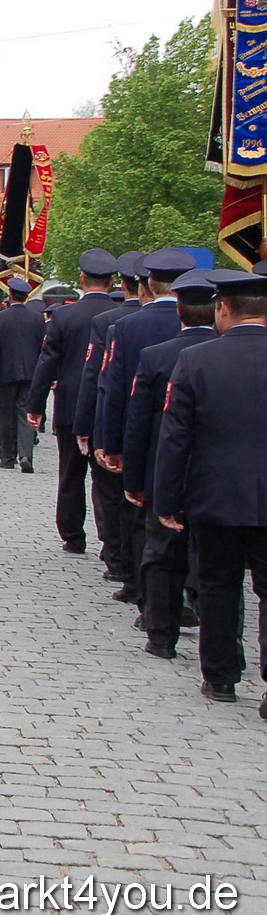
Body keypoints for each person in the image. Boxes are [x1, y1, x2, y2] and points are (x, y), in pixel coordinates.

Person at [153, 269, 267, 713]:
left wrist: (167, 499)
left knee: (218, 585)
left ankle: (220, 676)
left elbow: (175, 437)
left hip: (215, 494)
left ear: (223, 309)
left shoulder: (197, 360)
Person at [124, 268, 217, 660]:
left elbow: (139, 420)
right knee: (216, 566)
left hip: (165, 466)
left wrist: (133, 475)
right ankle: (223, 648)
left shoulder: (158, 356)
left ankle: (160, 632)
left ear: (180, 312)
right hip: (219, 476)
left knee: (161, 552)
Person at [96, 249, 194, 604]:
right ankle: (189, 591)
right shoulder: (208, 326)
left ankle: (142, 588)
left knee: (140, 517)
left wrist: (111, 443)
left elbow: (114, 388)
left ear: (149, 284)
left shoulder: (125, 326)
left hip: (145, 436)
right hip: (197, 440)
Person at [26, 249, 120, 555]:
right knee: (106, 478)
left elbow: (46, 363)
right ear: (113, 281)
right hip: (109, 405)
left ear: (82, 279)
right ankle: (111, 539)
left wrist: (36, 405)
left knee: (70, 473)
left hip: (69, 403)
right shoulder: (122, 315)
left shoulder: (64, 316)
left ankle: (72, 534)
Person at [74, 250, 145, 583]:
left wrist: (87, 427)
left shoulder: (109, 324)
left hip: (117, 423)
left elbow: (99, 380)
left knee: (110, 494)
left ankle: (118, 558)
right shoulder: (183, 320)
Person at [0, 276, 46, 472]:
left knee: (7, 414)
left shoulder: (0, 317)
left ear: (10, 295)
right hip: (31, 371)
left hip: (7, 371)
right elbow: (43, 347)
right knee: (25, 412)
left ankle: (7, 457)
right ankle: (26, 455)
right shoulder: (37, 318)